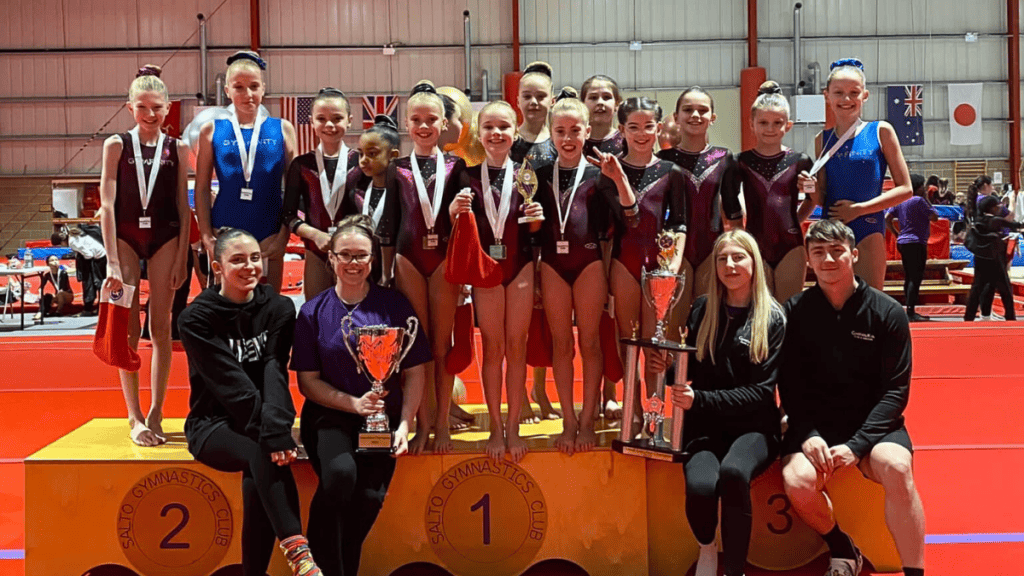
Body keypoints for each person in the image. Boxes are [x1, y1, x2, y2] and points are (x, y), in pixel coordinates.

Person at [780, 219, 925, 576]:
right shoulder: (794, 312)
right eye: (819, 252)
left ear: (854, 254)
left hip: (874, 427)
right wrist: (808, 432)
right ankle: (841, 547)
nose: (828, 259)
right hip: (816, 425)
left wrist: (858, 445)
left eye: (836, 250)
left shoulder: (887, 312)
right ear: (808, 261)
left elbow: (896, 391)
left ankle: (915, 571)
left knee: (898, 467)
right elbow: (789, 384)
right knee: (797, 481)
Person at [292, 215, 430, 576]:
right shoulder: (312, 312)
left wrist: (404, 424)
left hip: (381, 420)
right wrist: (352, 403)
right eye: (346, 255)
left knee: (368, 498)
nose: (353, 263)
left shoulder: (394, 306)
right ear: (331, 259)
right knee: (340, 477)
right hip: (330, 415)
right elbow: (308, 382)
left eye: (361, 256)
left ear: (373, 260)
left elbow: (415, 371)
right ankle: (316, 566)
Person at [179, 227, 321, 576]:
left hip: (264, 420)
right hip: (212, 424)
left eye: (255, 258)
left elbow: (275, 371)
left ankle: (254, 572)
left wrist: (275, 427)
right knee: (262, 453)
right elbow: (230, 384)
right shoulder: (196, 318)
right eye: (238, 260)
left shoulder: (279, 307)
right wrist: (273, 433)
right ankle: (300, 556)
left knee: (260, 463)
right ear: (217, 268)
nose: (250, 267)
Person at [649, 229, 785, 576]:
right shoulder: (702, 309)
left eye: (738, 257)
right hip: (705, 426)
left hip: (754, 426)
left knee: (733, 473)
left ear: (754, 263)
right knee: (699, 485)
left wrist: (700, 399)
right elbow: (694, 368)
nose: (730, 265)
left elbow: (761, 391)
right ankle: (707, 548)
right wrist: (666, 371)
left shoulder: (772, 318)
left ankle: (736, 569)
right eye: (722, 258)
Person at [448, 100, 545, 462]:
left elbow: (537, 234)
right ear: (479, 132)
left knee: (516, 347)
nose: (496, 133)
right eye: (489, 127)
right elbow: (452, 224)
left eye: (503, 127)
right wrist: (452, 210)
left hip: (519, 269)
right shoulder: (465, 174)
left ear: (515, 131)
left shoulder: (528, 175)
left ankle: (515, 427)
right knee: (493, 347)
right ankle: (494, 430)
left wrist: (538, 219)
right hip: (485, 270)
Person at [99, 64, 190, 447]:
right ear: (129, 108)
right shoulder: (116, 145)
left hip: (165, 238)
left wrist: (184, 257)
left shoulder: (178, 148)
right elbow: (106, 202)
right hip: (124, 237)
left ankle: (157, 410)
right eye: (142, 108)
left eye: (157, 108)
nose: (150, 115)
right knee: (128, 330)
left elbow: (183, 209)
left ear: (168, 108)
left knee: (161, 328)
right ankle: (134, 415)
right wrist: (111, 261)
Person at [593, 96, 688, 402]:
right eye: (633, 127)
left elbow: (680, 225)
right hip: (624, 262)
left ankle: (654, 416)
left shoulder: (672, 171)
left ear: (659, 128)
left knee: (655, 342)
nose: (642, 133)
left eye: (648, 126)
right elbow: (623, 222)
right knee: (628, 341)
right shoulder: (608, 173)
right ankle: (632, 412)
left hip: (660, 265)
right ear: (621, 130)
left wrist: (671, 268)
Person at [799, 58, 913, 290]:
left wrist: (859, 209)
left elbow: (906, 189)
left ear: (865, 95)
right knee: (832, 308)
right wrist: (808, 187)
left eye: (854, 92)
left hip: (868, 227)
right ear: (826, 95)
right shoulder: (822, 139)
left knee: (869, 306)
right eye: (838, 92)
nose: (846, 99)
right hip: (832, 230)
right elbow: (822, 197)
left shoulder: (880, 131)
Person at [535, 90, 608, 454]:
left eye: (575, 131)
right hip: (551, 264)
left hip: (590, 263)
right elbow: (528, 228)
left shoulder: (599, 174)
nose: (567, 138)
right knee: (561, 345)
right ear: (550, 133)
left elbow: (613, 228)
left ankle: (588, 416)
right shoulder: (536, 174)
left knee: (590, 342)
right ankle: (568, 418)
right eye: (560, 131)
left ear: (587, 132)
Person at [393, 81, 463, 454]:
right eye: (417, 120)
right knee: (416, 346)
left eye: (431, 120)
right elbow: (389, 225)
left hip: (444, 261)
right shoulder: (397, 169)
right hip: (408, 260)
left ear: (444, 124)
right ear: (407, 124)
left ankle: (443, 423)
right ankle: (422, 425)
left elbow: (467, 223)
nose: (423, 127)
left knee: (441, 344)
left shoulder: (457, 166)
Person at [196, 50, 297, 292]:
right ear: (227, 91)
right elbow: (201, 188)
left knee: (269, 303)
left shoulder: (282, 129)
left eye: (253, 86)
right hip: (226, 229)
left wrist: (284, 234)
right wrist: (207, 235)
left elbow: (294, 188)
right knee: (229, 306)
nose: (248, 94)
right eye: (239, 87)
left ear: (263, 88)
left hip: (270, 232)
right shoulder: (211, 130)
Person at [658, 86, 741, 315]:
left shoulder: (724, 157)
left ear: (712, 118)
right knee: (674, 327)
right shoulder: (662, 160)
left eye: (702, 110)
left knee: (707, 322)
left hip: (711, 250)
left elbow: (733, 212)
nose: (695, 115)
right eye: (688, 110)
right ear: (676, 117)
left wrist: (736, 251)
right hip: (674, 252)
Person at [736, 81, 815, 302]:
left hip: (790, 245)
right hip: (754, 243)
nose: (770, 129)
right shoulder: (740, 162)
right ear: (752, 124)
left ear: (788, 125)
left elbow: (813, 199)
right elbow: (729, 205)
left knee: (790, 310)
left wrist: (795, 220)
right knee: (760, 312)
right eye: (763, 122)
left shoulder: (800, 161)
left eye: (777, 123)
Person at [282, 88, 361, 299]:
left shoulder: (360, 163)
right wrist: (315, 235)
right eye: (322, 119)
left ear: (349, 120)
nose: (329, 125)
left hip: (353, 253)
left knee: (354, 314)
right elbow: (288, 215)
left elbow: (370, 211)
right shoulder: (302, 165)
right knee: (317, 315)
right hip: (316, 251)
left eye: (337, 118)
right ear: (312, 122)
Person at [347, 113, 401, 286]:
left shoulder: (405, 194)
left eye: (372, 154)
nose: (363, 161)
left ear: (393, 155)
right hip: (364, 273)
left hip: (398, 273)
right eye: (361, 154)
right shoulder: (356, 194)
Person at [885, 174, 937, 321]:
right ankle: (911, 311)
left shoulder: (900, 200)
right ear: (919, 187)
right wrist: (927, 198)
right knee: (916, 277)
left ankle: (909, 309)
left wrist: (896, 233)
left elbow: (886, 218)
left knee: (909, 276)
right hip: (917, 242)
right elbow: (934, 217)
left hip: (903, 241)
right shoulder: (920, 201)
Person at [964, 194, 1023, 321]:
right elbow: (1015, 225)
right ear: (992, 208)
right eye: (998, 206)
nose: (1000, 208)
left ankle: (968, 316)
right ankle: (1010, 317)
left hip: (980, 258)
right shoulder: (995, 221)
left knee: (977, 288)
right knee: (1005, 289)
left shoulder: (978, 220)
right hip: (995, 260)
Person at [510, 62, 557, 167]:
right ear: (518, 101)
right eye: (527, 97)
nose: (533, 102)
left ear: (552, 101)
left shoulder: (558, 141)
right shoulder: (509, 141)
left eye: (540, 96)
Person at [55, 224, 107, 316]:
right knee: (97, 283)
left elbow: (89, 254)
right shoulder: (74, 236)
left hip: (98, 258)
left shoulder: (72, 243)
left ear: (62, 241)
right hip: (100, 255)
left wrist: (82, 262)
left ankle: (92, 308)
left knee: (94, 283)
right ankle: (98, 307)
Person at [580, 74, 626, 158]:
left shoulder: (627, 141)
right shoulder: (575, 142)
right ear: (582, 104)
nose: (600, 102)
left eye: (606, 97)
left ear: (617, 104)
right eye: (593, 97)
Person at [37, 255, 73, 319]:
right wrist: (40, 292)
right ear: (48, 264)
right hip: (58, 294)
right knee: (48, 296)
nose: (55, 262)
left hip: (67, 295)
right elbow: (41, 287)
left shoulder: (63, 273)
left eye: (56, 260)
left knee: (60, 294)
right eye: (52, 260)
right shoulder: (48, 274)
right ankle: (43, 311)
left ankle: (58, 311)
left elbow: (63, 287)